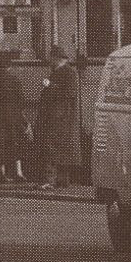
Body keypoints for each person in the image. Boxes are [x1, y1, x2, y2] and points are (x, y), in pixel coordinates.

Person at [41, 50, 83, 189]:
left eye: (51, 58)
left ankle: (51, 181)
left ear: (56, 58)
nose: (49, 61)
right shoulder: (66, 72)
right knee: (62, 149)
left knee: (52, 147)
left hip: (60, 116)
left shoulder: (68, 73)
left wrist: (49, 86)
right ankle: (62, 181)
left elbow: (68, 93)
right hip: (61, 116)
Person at [0, 58, 27, 182]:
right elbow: (22, 100)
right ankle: (18, 172)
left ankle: (2, 174)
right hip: (13, 117)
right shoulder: (15, 80)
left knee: (0, 144)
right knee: (15, 143)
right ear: (9, 67)